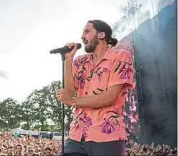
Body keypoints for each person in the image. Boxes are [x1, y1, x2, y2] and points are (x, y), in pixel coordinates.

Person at [56, 20, 135, 156]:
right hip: (76, 135)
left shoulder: (120, 56)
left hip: (107, 137)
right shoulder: (80, 61)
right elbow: (69, 92)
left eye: (87, 31)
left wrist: (73, 101)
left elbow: (109, 97)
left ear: (101, 35)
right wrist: (68, 60)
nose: (82, 36)